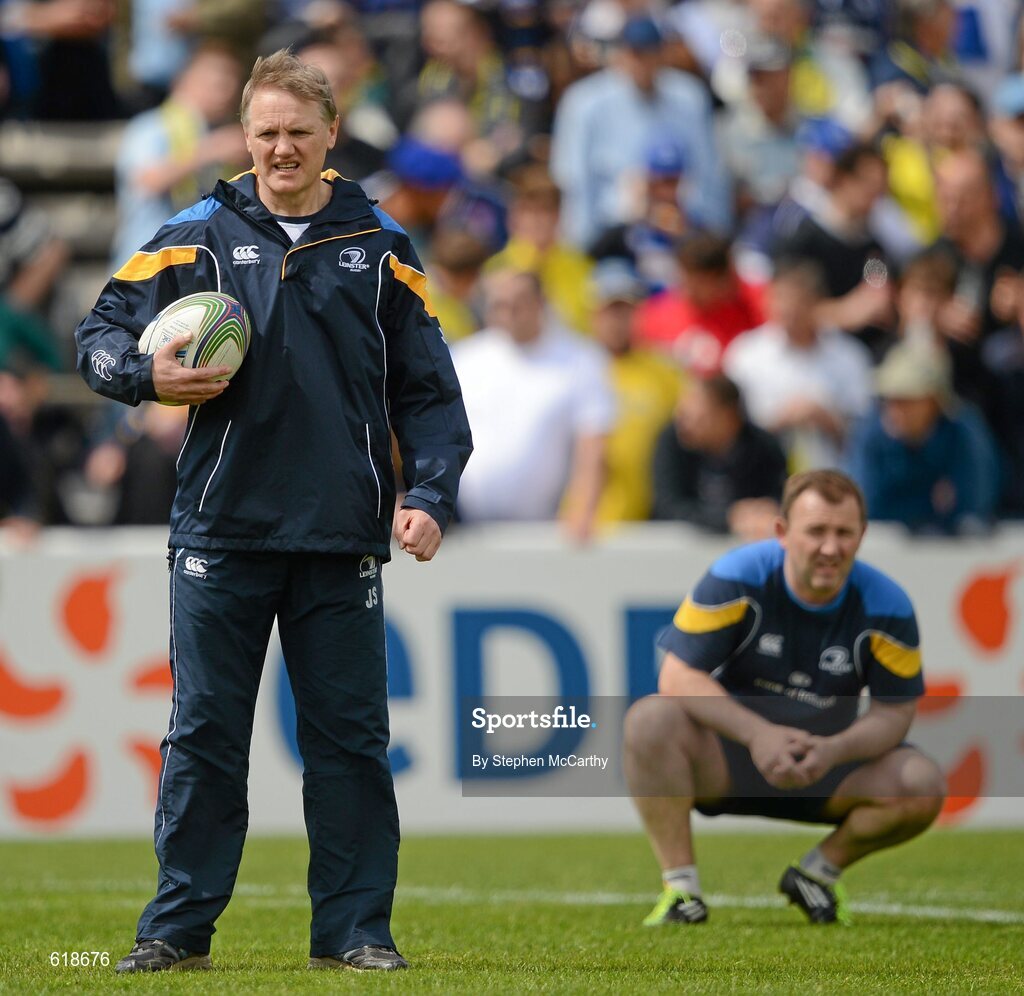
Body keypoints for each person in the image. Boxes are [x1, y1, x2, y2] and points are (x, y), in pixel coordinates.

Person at [75, 49, 472, 973]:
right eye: (265, 133)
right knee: (205, 740)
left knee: (350, 749)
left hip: (341, 533)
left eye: (298, 131)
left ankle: (356, 933)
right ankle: (176, 930)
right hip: (221, 531)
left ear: (332, 132)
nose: (281, 148)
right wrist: (147, 375)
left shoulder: (382, 246)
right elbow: (95, 335)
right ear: (244, 137)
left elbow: (432, 395)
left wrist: (428, 494)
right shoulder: (195, 232)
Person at [624, 469, 945, 926]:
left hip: (828, 768)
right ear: (782, 532)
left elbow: (895, 713)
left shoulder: (889, 604)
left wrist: (834, 750)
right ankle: (681, 894)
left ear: (862, 535)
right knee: (648, 720)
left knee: (923, 783)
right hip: (731, 758)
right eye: (816, 531)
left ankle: (817, 873)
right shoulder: (737, 576)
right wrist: (758, 735)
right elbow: (677, 675)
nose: (830, 548)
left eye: (843, 533)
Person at [452, 268, 614, 541]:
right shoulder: (465, 358)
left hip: (544, 529)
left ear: (541, 304)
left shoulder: (582, 359)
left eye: (519, 303)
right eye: (500, 305)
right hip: (462, 525)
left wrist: (583, 507)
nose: (509, 312)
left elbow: (592, 443)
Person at [847, 341, 998, 534]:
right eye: (889, 398)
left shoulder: (964, 431)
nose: (894, 408)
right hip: (887, 547)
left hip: (950, 550)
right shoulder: (870, 433)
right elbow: (863, 506)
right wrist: (929, 504)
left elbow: (975, 503)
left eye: (906, 398)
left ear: (934, 402)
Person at [651, 373, 787, 539]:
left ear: (728, 417)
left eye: (699, 419)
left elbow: (779, 498)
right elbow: (667, 506)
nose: (685, 426)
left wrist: (765, 509)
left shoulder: (764, 447)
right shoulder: (672, 442)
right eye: (682, 416)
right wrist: (729, 517)